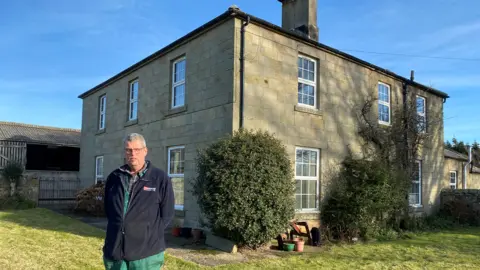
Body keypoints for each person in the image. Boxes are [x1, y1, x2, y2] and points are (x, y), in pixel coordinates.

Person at [103, 133, 175, 270]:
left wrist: (146, 234)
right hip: (115, 251)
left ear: (145, 151)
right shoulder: (114, 177)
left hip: (146, 255)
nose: (132, 154)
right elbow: (109, 210)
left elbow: (167, 214)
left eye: (137, 150)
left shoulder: (160, 178)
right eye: (128, 150)